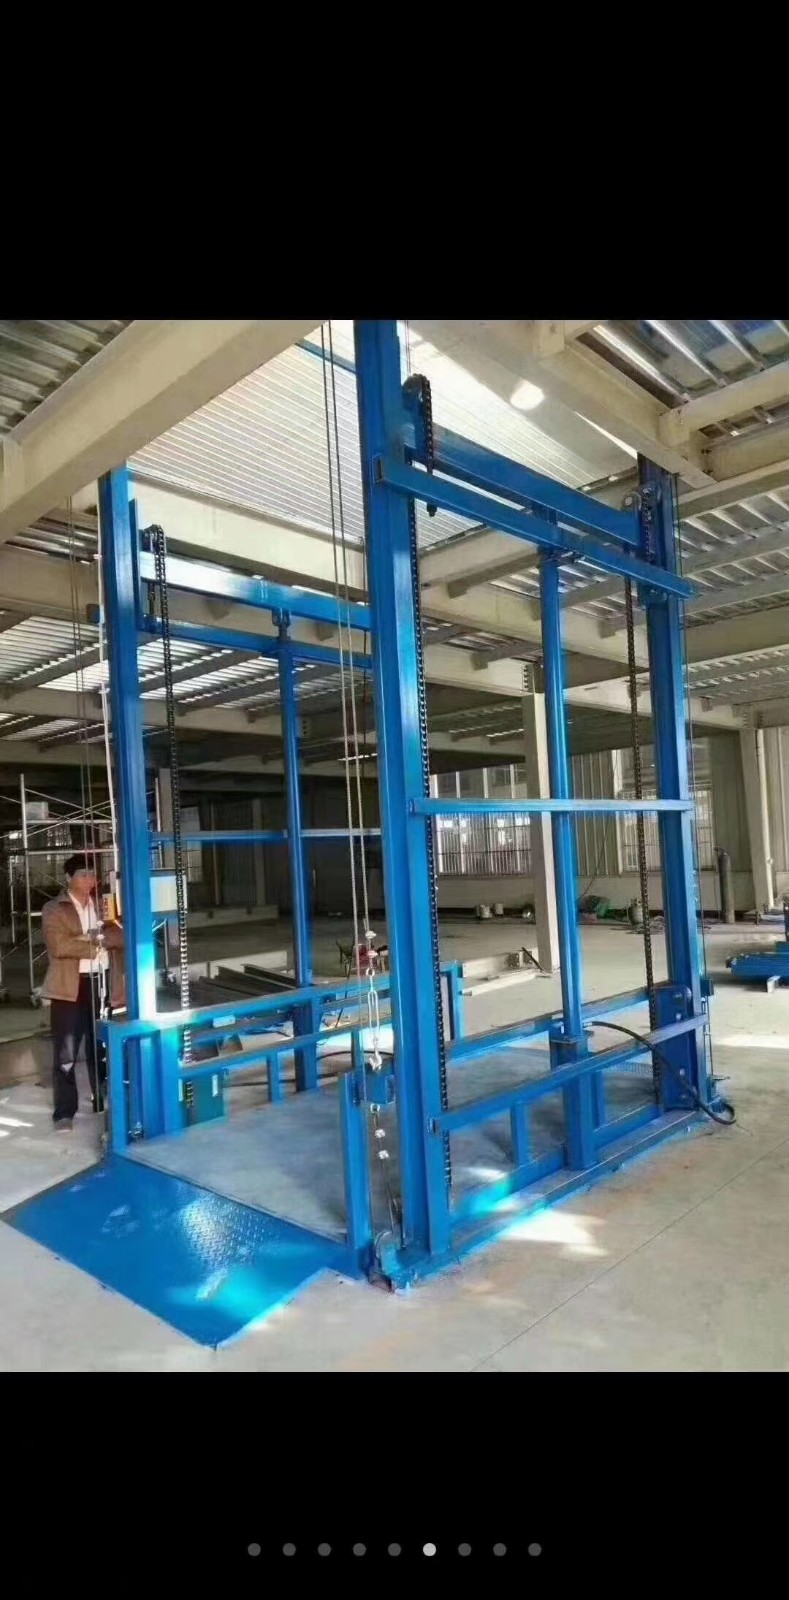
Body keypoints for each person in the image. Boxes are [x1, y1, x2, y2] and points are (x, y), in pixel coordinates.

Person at [41, 854, 125, 1130]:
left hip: (101, 981)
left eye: (92, 874)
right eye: (83, 874)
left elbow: (121, 935)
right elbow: (59, 946)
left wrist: (89, 938)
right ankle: (64, 1111)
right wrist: (98, 942)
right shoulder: (54, 908)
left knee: (100, 1045)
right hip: (70, 986)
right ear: (68, 878)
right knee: (66, 1050)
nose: (90, 880)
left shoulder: (103, 906)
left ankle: (102, 1097)